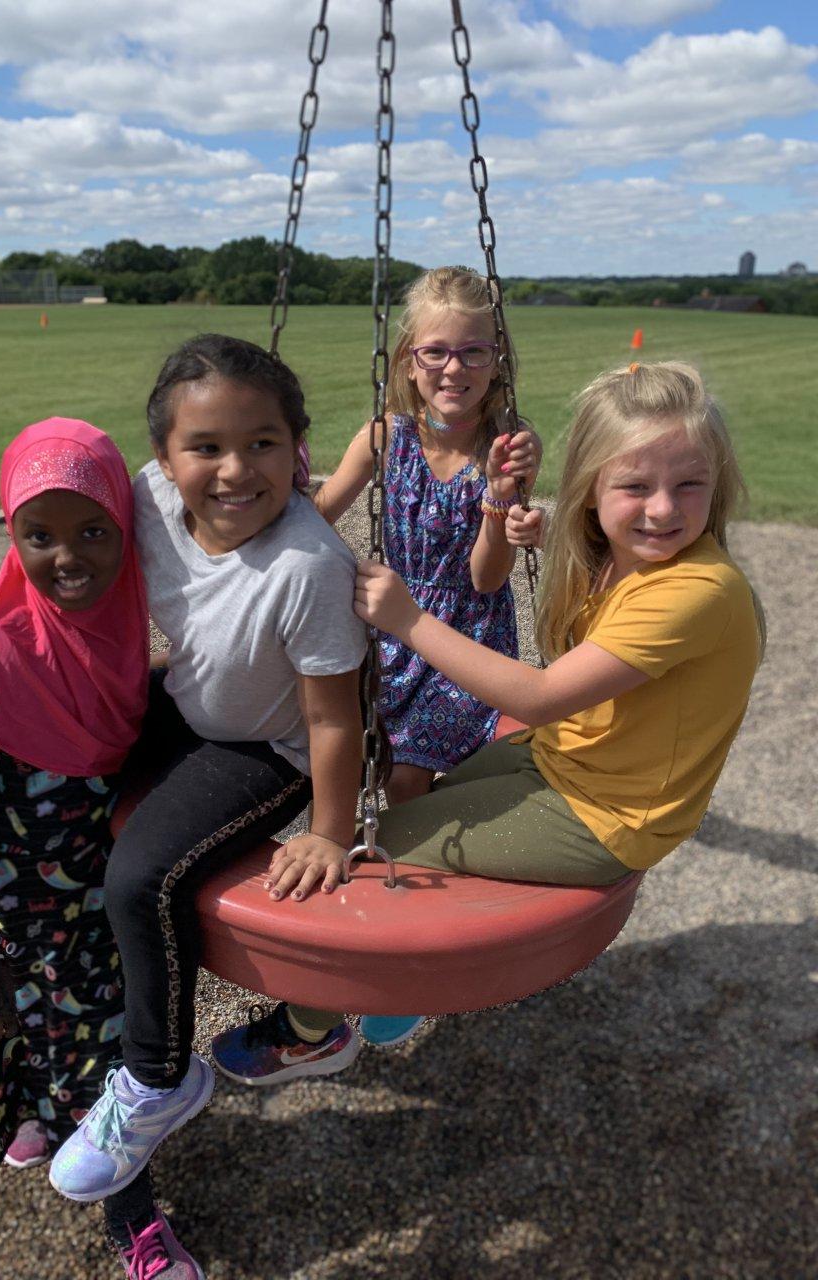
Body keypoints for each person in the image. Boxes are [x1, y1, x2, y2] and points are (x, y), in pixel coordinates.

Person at [48, 336, 370, 1249]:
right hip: (188, 704)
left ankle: (157, 1077)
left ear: (299, 451)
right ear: (164, 459)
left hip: (267, 747)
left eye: (264, 443)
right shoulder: (150, 502)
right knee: (46, 774)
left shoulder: (306, 566)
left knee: (137, 875)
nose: (236, 470)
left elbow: (334, 721)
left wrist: (332, 830)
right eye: (207, 448)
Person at [0, 419, 187, 1275]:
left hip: (84, 900)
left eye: (93, 532)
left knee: (78, 1054)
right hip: (8, 917)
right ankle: (131, 1222)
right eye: (39, 536)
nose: (67, 557)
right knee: (95, 1069)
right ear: (11, 536)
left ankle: (45, 1118)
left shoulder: (117, 627)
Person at [348, 358, 763, 896]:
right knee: (426, 794)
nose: (662, 510)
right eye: (635, 486)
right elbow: (590, 577)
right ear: (590, 489)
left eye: (689, 484)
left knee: (374, 841)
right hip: (559, 754)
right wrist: (532, 525)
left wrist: (407, 619)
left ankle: (433, 969)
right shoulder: (617, 555)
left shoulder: (699, 590)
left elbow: (540, 698)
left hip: (609, 815)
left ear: (716, 482)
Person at [259, 265, 543, 1051]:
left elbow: (489, 575)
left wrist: (503, 503)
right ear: (409, 359)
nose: (454, 369)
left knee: (411, 783)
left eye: (474, 352)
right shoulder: (384, 436)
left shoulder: (507, 449)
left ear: (498, 360)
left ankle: (410, 964)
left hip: (460, 638)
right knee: (382, 772)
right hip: (387, 623)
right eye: (436, 352)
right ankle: (385, 927)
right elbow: (319, 514)